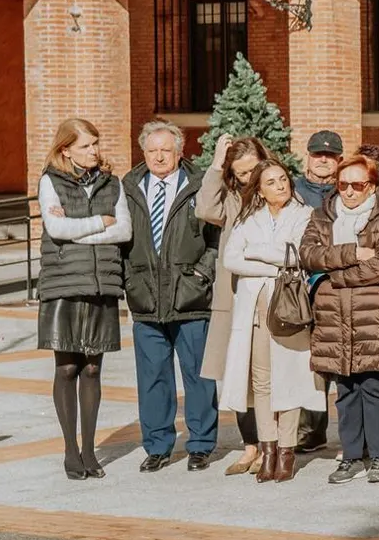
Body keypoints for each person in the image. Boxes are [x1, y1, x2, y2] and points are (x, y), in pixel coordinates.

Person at [122, 120, 219, 473]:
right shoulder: (129, 187)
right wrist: (130, 280)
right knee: (153, 378)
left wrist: (202, 274)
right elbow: (121, 240)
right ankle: (158, 445)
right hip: (146, 298)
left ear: (180, 152)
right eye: (152, 150)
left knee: (198, 376)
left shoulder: (201, 184)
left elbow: (216, 238)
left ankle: (201, 444)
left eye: (166, 150)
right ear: (143, 153)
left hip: (191, 298)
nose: (159, 157)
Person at [37, 118, 132, 480]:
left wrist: (83, 229)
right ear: (66, 150)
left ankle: (90, 450)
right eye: (85, 146)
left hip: (101, 285)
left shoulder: (112, 182)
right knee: (67, 368)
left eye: (95, 144)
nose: (93, 151)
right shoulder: (51, 180)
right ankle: (70, 451)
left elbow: (124, 230)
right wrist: (100, 221)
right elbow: (56, 229)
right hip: (63, 286)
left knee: (92, 368)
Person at [301, 154, 379, 484]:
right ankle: (351, 456)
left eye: (357, 185)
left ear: (371, 186)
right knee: (344, 390)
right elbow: (308, 255)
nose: (348, 191)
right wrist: (351, 254)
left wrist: (336, 275)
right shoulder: (321, 217)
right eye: (342, 184)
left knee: (373, 387)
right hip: (333, 319)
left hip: (372, 317)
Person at [217, 160, 321, 482]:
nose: (280, 185)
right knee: (261, 382)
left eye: (283, 179)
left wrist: (257, 251)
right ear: (259, 192)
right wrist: (272, 264)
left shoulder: (304, 215)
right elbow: (231, 258)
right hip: (255, 309)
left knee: (288, 377)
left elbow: (299, 254)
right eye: (271, 182)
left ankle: (287, 452)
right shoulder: (249, 218)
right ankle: (269, 449)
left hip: (288, 307)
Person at [198, 135, 272, 472]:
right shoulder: (229, 199)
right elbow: (205, 209)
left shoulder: (279, 192)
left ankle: (271, 446)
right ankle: (250, 446)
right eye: (240, 173)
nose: (248, 177)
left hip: (269, 296)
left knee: (267, 374)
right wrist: (216, 163)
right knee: (237, 373)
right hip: (233, 296)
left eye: (253, 169)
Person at [295, 131, 343, 208]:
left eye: (330, 155)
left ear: (340, 160)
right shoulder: (293, 190)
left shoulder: (347, 192)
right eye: (317, 153)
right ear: (307, 156)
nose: (323, 160)